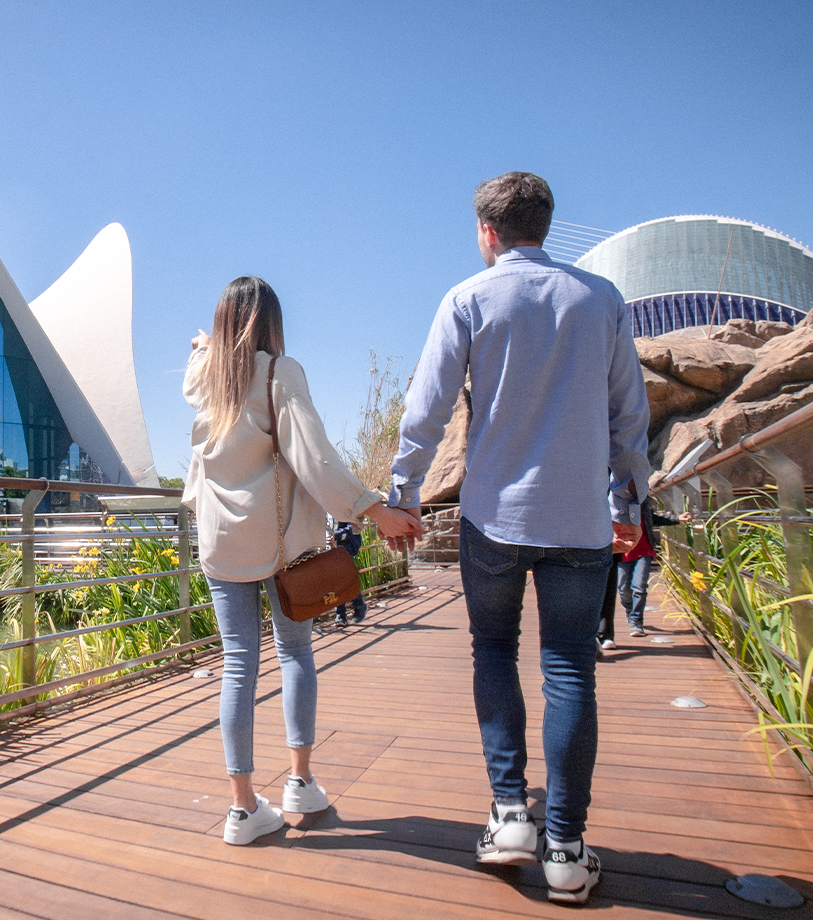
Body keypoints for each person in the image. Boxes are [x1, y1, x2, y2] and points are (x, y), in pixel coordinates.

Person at [386, 172, 650, 903]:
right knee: (569, 667)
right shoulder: (601, 300)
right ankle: (566, 847)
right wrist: (630, 497)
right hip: (579, 519)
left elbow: (425, 408)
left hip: (494, 518)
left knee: (494, 650)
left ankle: (509, 815)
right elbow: (630, 412)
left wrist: (403, 495)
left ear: (488, 232)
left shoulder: (468, 300)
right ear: (545, 226)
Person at [184, 276, 422, 846]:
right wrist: (372, 509)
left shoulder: (203, 378)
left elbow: (203, 362)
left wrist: (203, 349)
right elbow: (313, 457)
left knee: (238, 665)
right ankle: (299, 782)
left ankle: (241, 809)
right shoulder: (279, 374)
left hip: (221, 543)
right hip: (278, 543)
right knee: (293, 652)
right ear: (269, 322)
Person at [617, 501, 684, 637]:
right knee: (623, 588)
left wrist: (676, 519)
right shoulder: (614, 500)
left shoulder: (643, 500)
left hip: (644, 550)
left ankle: (636, 621)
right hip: (622, 550)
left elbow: (653, 518)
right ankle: (630, 610)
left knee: (640, 586)